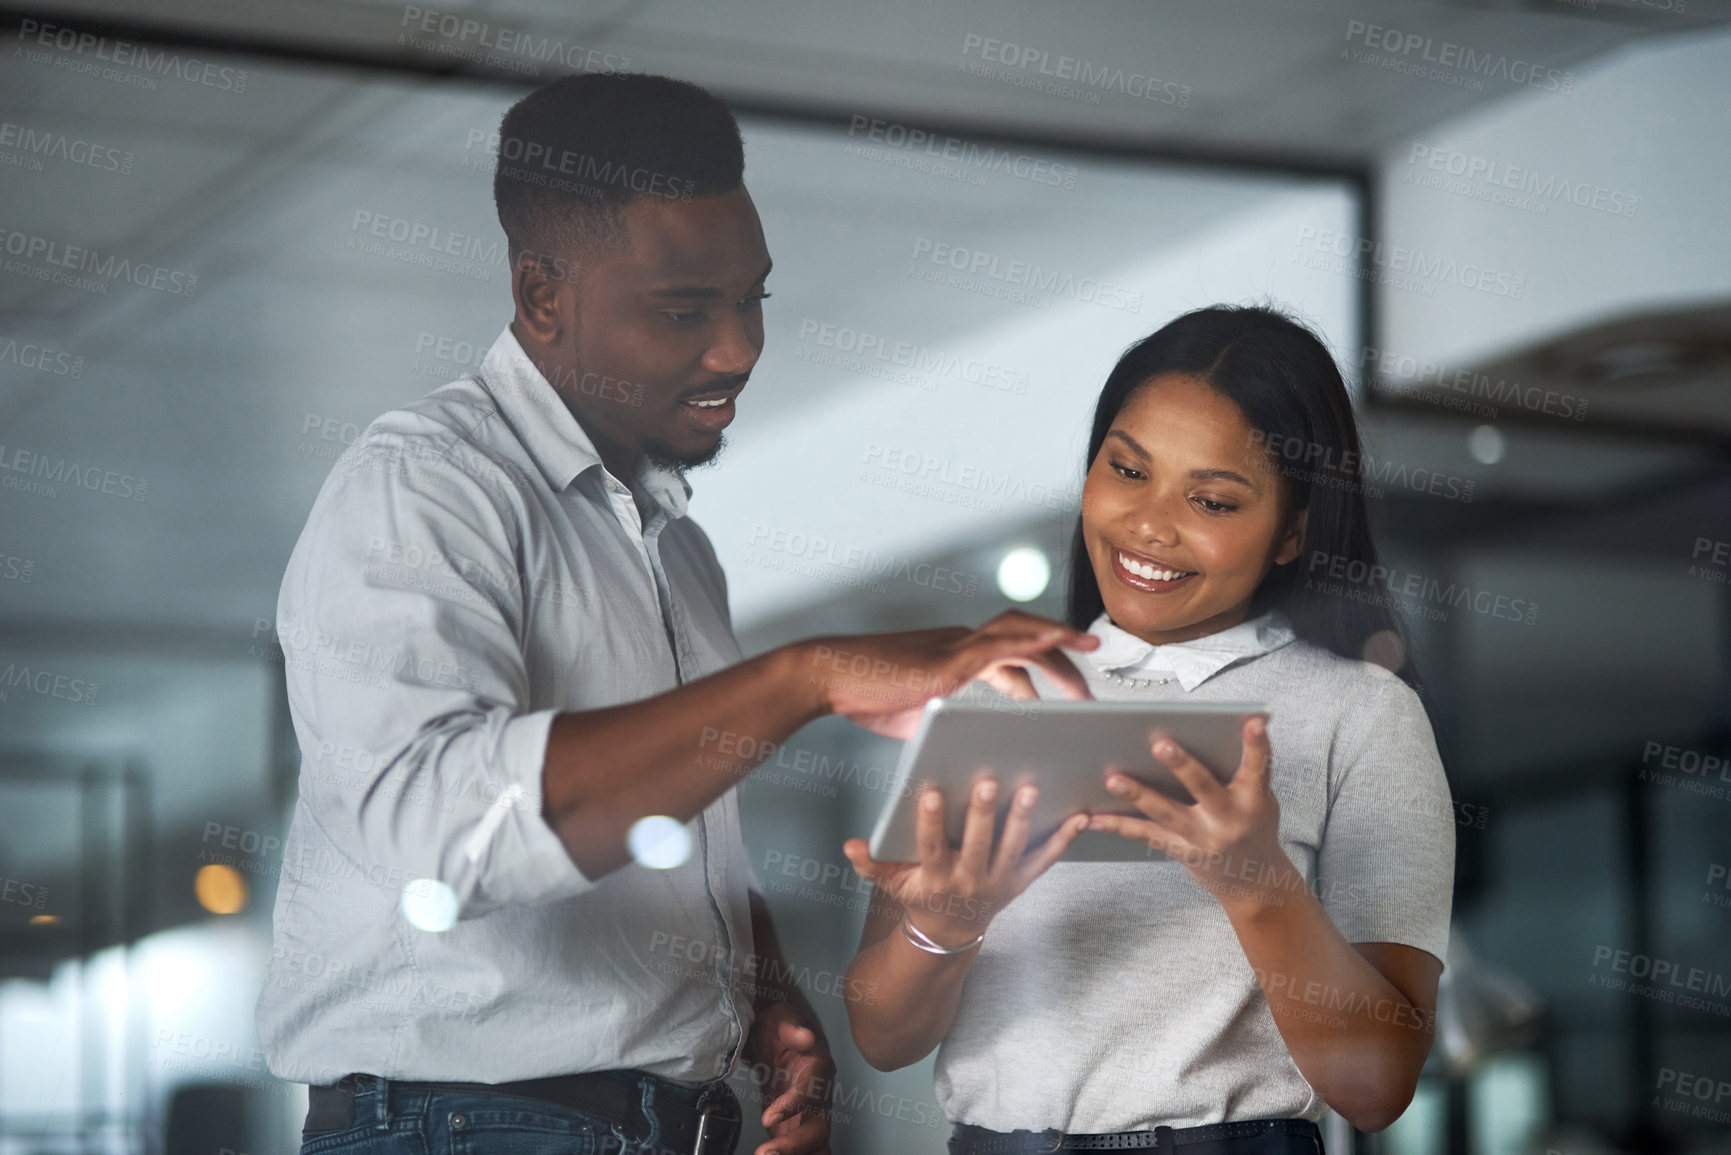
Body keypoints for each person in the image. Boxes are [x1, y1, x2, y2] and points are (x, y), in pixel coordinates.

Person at [257, 72, 1098, 1155]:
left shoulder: (675, 546)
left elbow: (664, 812)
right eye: (684, 310)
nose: (739, 348)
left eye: (753, 299)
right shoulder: (421, 488)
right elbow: (438, 839)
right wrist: (805, 678)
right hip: (462, 1125)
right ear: (542, 296)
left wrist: (760, 994)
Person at [841, 305, 1456, 1154]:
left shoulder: (1359, 715)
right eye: (1127, 470)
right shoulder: (994, 694)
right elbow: (881, 1036)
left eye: (1209, 498)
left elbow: (1377, 1084)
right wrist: (944, 923)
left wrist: (1257, 885)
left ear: (1293, 530)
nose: (1148, 524)